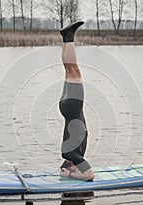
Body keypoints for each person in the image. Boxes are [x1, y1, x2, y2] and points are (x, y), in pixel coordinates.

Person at [59, 21, 95, 181]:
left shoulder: (73, 154)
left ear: (71, 164)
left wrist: (71, 175)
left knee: (73, 68)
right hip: (66, 107)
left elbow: (89, 176)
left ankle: (69, 36)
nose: (78, 167)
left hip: (73, 107)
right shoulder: (66, 152)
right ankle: (67, 37)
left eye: (75, 167)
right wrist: (67, 172)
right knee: (69, 69)